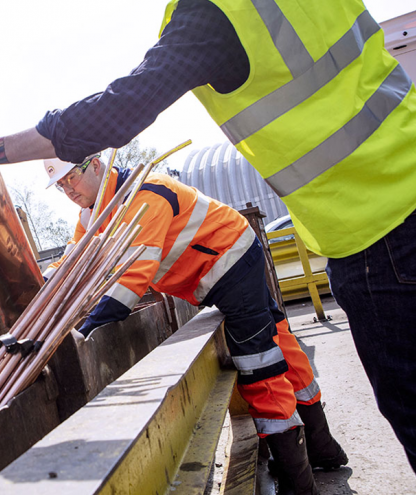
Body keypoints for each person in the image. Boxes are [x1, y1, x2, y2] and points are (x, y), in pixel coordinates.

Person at [0, 0, 416, 478]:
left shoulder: (214, 4)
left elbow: (119, 112)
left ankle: (300, 469)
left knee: (272, 360)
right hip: (398, 186)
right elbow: (81, 267)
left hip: (375, 234)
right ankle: (317, 444)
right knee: (279, 345)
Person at [43, 153, 345, 493]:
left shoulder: (145, 195)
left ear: (96, 165)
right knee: (279, 339)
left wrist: (83, 330)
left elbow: (131, 283)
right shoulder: (92, 215)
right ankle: (322, 449)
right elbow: (75, 255)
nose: (68, 189)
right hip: (212, 273)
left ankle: (298, 481)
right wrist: (42, 279)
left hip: (230, 261)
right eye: (60, 185)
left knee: (258, 365)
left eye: (72, 177)